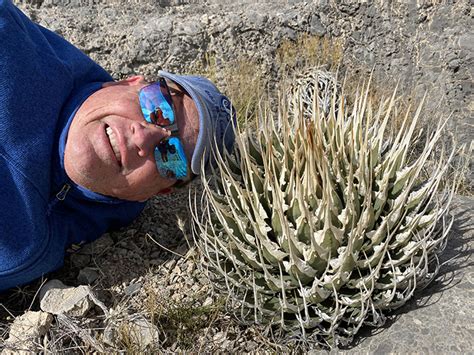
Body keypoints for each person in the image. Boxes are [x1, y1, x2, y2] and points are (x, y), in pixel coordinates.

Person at [0, 0, 236, 292]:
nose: (143, 138)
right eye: (159, 105)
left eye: (171, 156)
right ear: (127, 82)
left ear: (152, 193)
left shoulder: (27, 248)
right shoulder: (7, 36)